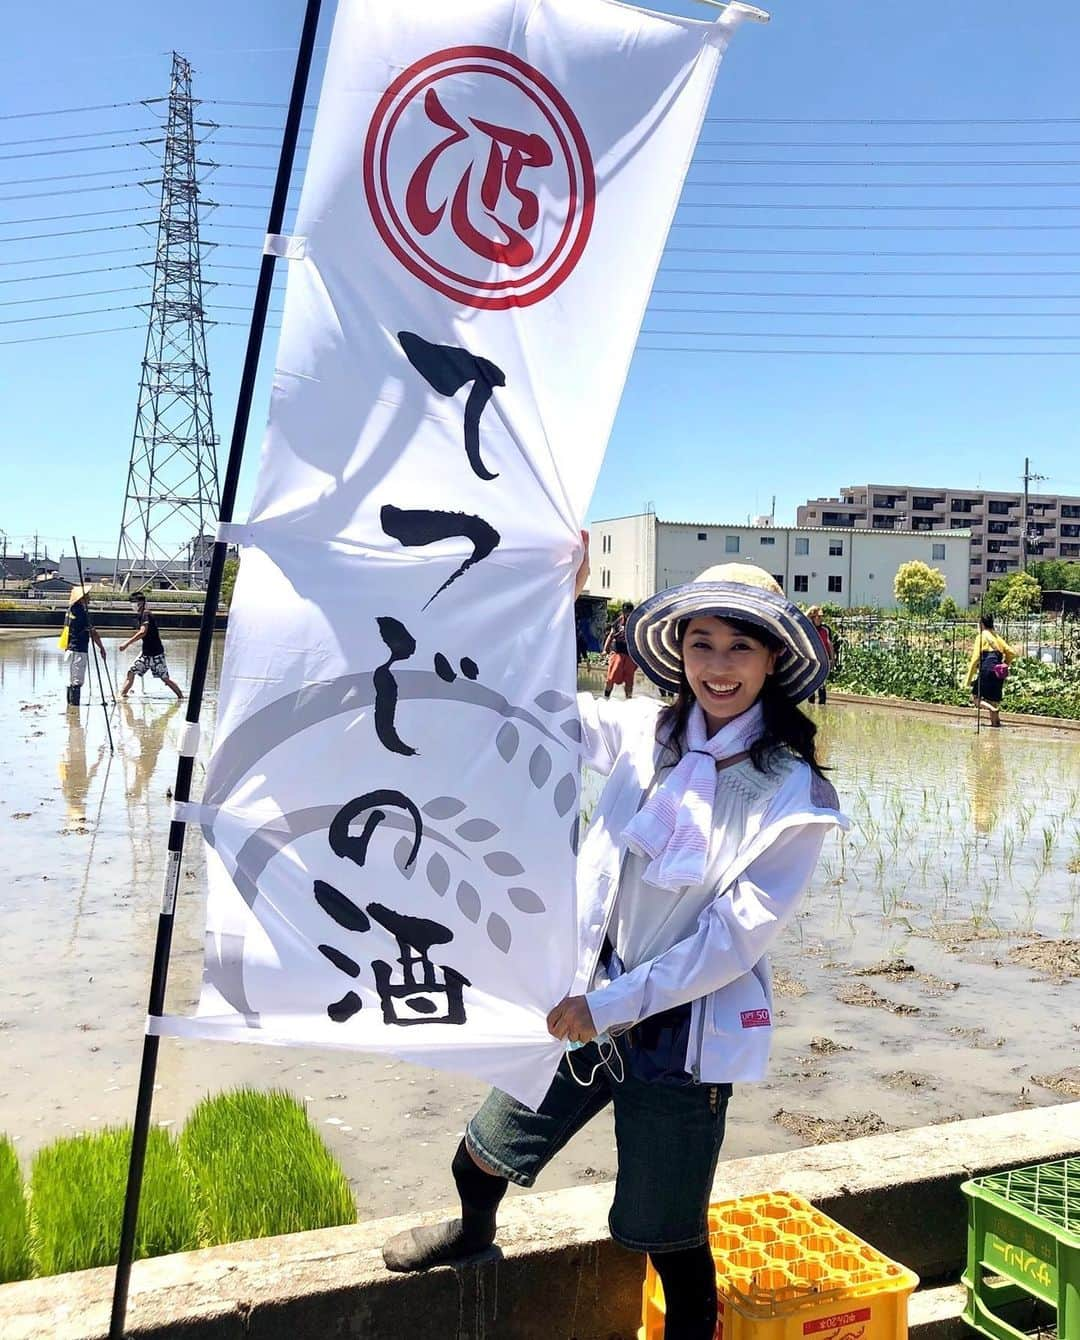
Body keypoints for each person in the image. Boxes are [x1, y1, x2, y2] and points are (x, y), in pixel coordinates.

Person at [382, 558, 846, 1340]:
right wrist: (548, 603)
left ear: (774, 660)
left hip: (679, 1031)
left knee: (669, 1238)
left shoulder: (793, 794)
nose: (719, 667)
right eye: (703, 644)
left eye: (741, 647)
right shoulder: (644, 733)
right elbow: (532, 709)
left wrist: (608, 1008)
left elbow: (730, 942)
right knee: (483, 1154)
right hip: (583, 996)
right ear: (680, 653)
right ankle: (473, 1231)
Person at [118, 592, 183, 700]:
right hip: (146, 654)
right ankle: (122, 696)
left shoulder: (146, 614)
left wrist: (127, 643)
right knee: (131, 671)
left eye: (134, 602)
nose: (132, 605)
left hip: (156, 653)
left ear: (141, 603)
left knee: (165, 679)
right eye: (131, 602)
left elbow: (143, 632)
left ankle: (181, 697)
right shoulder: (141, 615)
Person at [965, 612, 1017, 729]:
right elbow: (1012, 653)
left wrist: (968, 679)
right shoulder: (997, 637)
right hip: (998, 671)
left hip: (986, 668)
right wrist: (1005, 664)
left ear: (981, 624)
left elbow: (975, 659)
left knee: (976, 698)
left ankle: (990, 708)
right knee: (993, 700)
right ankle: (995, 724)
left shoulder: (981, 636)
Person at [63, 585, 107, 708]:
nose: (89, 598)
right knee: (77, 681)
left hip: (71, 648)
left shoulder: (70, 610)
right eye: (87, 596)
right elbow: (93, 632)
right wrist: (101, 647)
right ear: (82, 598)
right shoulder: (81, 612)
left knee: (72, 679)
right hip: (78, 649)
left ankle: (71, 708)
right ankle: (74, 708)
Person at [603, 600, 637, 699]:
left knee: (629, 679)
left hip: (630, 653)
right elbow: (611, 635)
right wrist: (605, 649)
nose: (627, 614)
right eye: (625, 612)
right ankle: (606, 698)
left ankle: (628, 699)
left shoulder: (635, 622)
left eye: (629, 612)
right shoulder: (618, 621)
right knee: (612, 676)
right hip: (617, 651)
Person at [805, 606, 835, 705]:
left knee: (822, 683)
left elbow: (829, 644)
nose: (820, 619)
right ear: (813, 618)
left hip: (823, 659)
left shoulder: (825, 629)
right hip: (812, 659)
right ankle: (811, 704)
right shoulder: (809, 629)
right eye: (818, 616)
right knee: (811, 682)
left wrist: (832, 659)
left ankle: (822, 704)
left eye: (821, 617)